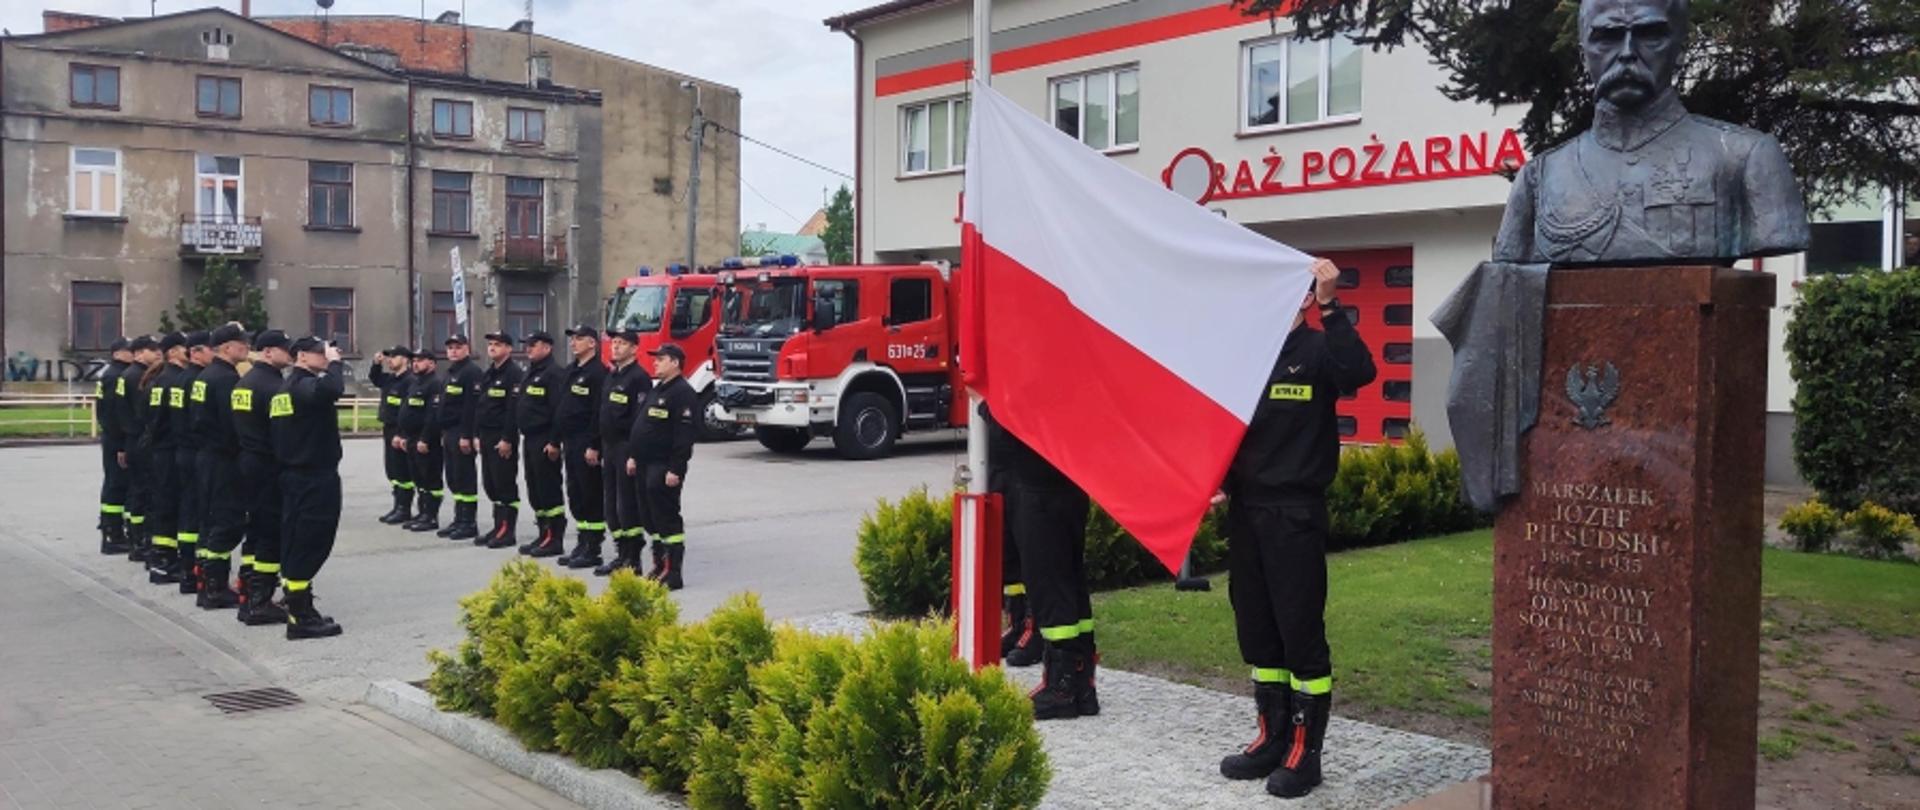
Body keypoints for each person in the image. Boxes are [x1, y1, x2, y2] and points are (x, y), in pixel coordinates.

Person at [1216, 258, 1375, 799]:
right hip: (1246, 511)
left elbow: (1360, 372)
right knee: (1257, 630)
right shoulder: (1249, 355)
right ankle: (1272, 738)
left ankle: (1306, 753)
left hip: (1294, 514)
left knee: (1299, 632)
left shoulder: (1318, 350)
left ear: (1306, 299)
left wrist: (1332, 306)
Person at [989, 410, 1096, 721]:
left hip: (1040, 485)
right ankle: (1081, 685)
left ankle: (1062, 687)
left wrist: (985, 406)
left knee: (1050, 585)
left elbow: (1012, 426)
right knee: (1071, 584)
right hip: (1062, 481)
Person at [270, 337, 348, 640]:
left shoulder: (288, 388)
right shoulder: (301, 385)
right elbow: (332, 390)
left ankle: (299, 607)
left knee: (297, 540)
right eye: (320, 352)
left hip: (296, 474)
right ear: (301, 356)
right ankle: (300, 618)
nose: (326, 356)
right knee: (310, 540)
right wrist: (336, 363)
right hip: (311, 475)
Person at [625, 343, 699, 590]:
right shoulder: (658, 390)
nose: (655, 363)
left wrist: (676, 469)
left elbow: (684, 437)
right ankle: (659, 564)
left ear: (675, 363)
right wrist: (634, 455)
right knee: (650, 518)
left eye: (660, 359)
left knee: (666, 518)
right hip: (645, 463)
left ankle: (673, 572)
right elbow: (643, 425)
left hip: (664, 466)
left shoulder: (683, 393)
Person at [232, 329, 292, 626]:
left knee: (255, 530)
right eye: (284, 349)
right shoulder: (273, 386)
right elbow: (283, 432)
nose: (290, 353)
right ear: (268, 352)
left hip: (248, 460)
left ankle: (249, 591)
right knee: (270, 532)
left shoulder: (245, 382)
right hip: (268, 465)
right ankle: (261, 601)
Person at [191, 323, 250, 609]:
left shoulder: (205, 375)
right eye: (242, 344)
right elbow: (233, 424)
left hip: (206, 455)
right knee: (227, 520)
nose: (247, 348)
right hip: (223, 458)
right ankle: (215, 587)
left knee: (210, 519)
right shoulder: (226, 379)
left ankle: (206, 582)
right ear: (227, 347)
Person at [983, 404, 1041, 668]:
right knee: (1008, 556)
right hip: (1000, 467)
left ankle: (1033, 628)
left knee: (1028, 556)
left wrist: (985, 407)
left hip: (1021, 466)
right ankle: (1017, 623)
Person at [594, 329, 652, 575]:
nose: (615, 347)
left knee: (627, 504)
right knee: (611, 504)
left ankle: (633, 557)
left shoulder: (638, 378)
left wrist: (634, 454)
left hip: (626, 446)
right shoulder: (612, 376)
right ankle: (621, 552)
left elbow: (640, 420)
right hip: (608, 446)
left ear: (634, 348)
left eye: (622, 343)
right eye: (613, 342)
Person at [554, 326, 609, 569]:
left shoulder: (598, 373)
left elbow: (598, 413)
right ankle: (582, 542)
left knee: (590, 494)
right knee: (575, 493)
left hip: (586, 442)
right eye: (572, 339)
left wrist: (594, 445)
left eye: (579, 339)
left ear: (592, 344)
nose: (573, 343)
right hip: (569, 441)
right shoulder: (571, 371)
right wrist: (555, 439)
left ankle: (593, 547)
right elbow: (562, 408)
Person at [513, 331, 568, 556]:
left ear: (547, 347)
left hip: (545, 439)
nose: (528, 349)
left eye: (533, 345)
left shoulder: (554, 374)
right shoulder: (531, 372)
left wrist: (554, 441)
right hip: (530, 438)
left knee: (548, 489)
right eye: (527, 345)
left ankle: (555, 539)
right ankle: (543, 534)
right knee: (535, 489)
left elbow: (558, 411)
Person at [143, 332, 189, 585]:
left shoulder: (164, 379)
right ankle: (164, 561)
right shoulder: (172, 381)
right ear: (172, 352)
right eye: (184, 348)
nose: (189, 351)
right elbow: (162, 419)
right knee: (168, 505)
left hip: (162, 448)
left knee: (166, 504)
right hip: (168, 449)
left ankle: (163, 558)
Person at [172, 330, 214, 594]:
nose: (215, 353)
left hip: (182, 449)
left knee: (188, 508)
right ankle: (193, 569)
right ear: (196, 352)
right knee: (197, 510)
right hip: (194, 450)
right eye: (211, 348)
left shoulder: (181, 378)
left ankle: (187, 567)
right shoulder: (196, 380)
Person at [476, 332, 525, 549]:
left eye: (498, 344)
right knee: (490, 483)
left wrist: (507, 439)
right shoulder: (489, 374)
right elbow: (482, 406)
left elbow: (512, 411)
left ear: (508, 349)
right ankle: (498, 526)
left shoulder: (513, 374)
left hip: (501, 437)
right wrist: (477, 434)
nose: (492, 348)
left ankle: (507, 530)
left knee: (504, 482)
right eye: (490, 344)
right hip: (486, 435)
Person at [436, 334, 485, 540]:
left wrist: (467, 435)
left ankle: (468, 522)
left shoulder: (471, 372)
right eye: (450, 348)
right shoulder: (450, 372)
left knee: (465, 477)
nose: (453, 351)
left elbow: (471, 407)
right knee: (453, 477)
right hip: (449, 432)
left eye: (458, 347)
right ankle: (459, 518)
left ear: (467, 348)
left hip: (461, 431)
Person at [120, 336, 161, 564]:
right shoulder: (138, 377)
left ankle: (136, 539)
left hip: (133, 439)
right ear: (138, 353)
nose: (157, 353)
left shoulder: (129, 374)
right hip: (139, 439)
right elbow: (141, 413)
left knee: (137, 491)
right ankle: (140, 541)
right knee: (143, 491)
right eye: (151, 350)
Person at [399, 351, 446, 533]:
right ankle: (422, 513)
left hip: (425, 440)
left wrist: (425, 438)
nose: (415, 364)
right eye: (414, 361)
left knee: (430, 477)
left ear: (432, 364)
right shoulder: (415, 382)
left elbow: (432, 415)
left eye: (420, 361)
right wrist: (403, 435)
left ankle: (431, 516)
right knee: (418, 478)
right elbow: (408, 409)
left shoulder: (434, 383)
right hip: (411, 438)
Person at [95, 337, 133, 556]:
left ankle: (112, 530)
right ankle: (112, 534)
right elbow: (112, 414)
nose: (133, 354)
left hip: (112, 437)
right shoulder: (115, 376)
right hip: (115, 438)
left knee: (114, 483)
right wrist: (120, 444)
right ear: (117, 353)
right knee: (116, 484)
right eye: (129, 351)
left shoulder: (111, 373)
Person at [371, 346, 416, 526]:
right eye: (388, 357)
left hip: (401, 429)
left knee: (403, 470)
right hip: (388, 427)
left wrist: (402, 434)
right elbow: (375, 379)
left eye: (393, 357)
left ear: (405, 359)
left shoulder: (410, 380)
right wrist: (376, 364)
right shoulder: (390, 379)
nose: (390, 360)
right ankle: (397, 506)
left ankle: (404, 508)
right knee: (392, 470)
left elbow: (409, 410)